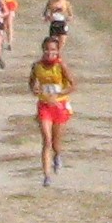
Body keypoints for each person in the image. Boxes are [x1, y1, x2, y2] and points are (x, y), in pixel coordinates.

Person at [29, 35, 75, 188]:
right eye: (47, 50)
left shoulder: (61, 66)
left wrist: (59, 95)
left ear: (57, 51)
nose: (50, 53)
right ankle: (47, 176)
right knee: (46, 141)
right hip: (44, 106)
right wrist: (34, 89)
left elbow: (72, 85)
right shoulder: (36, 66)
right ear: (43, 50)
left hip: (60, 106)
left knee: (56, 143)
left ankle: (58, 155)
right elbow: (31, 83)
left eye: (53, 50)